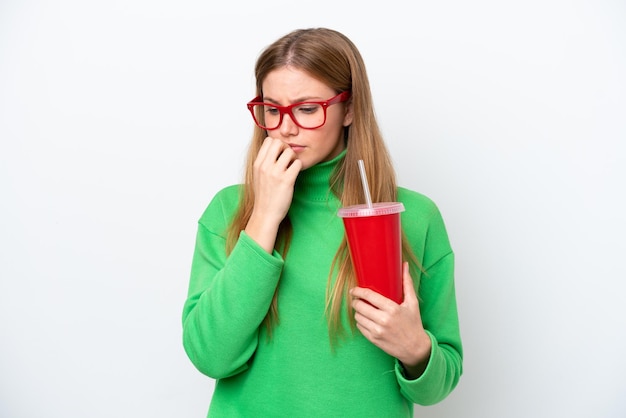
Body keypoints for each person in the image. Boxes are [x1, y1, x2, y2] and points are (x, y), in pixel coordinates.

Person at [182, 27, 463, 417]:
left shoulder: (413, 217)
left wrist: (415, 347)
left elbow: (439, 384)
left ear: (349, 109)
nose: (285, 127)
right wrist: (264, 216)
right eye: (272, 108)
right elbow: (210, 356)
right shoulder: (230, 210)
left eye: (307, 109)